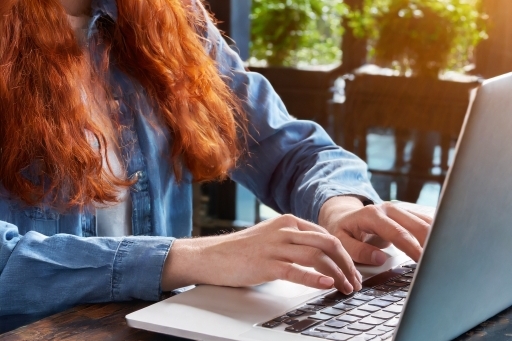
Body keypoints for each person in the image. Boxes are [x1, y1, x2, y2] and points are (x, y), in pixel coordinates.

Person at [0, 0, 431, 333]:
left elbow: (284, 145)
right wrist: (189, 258)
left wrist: (339, 207)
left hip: (158, 326)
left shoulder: (172, 19)